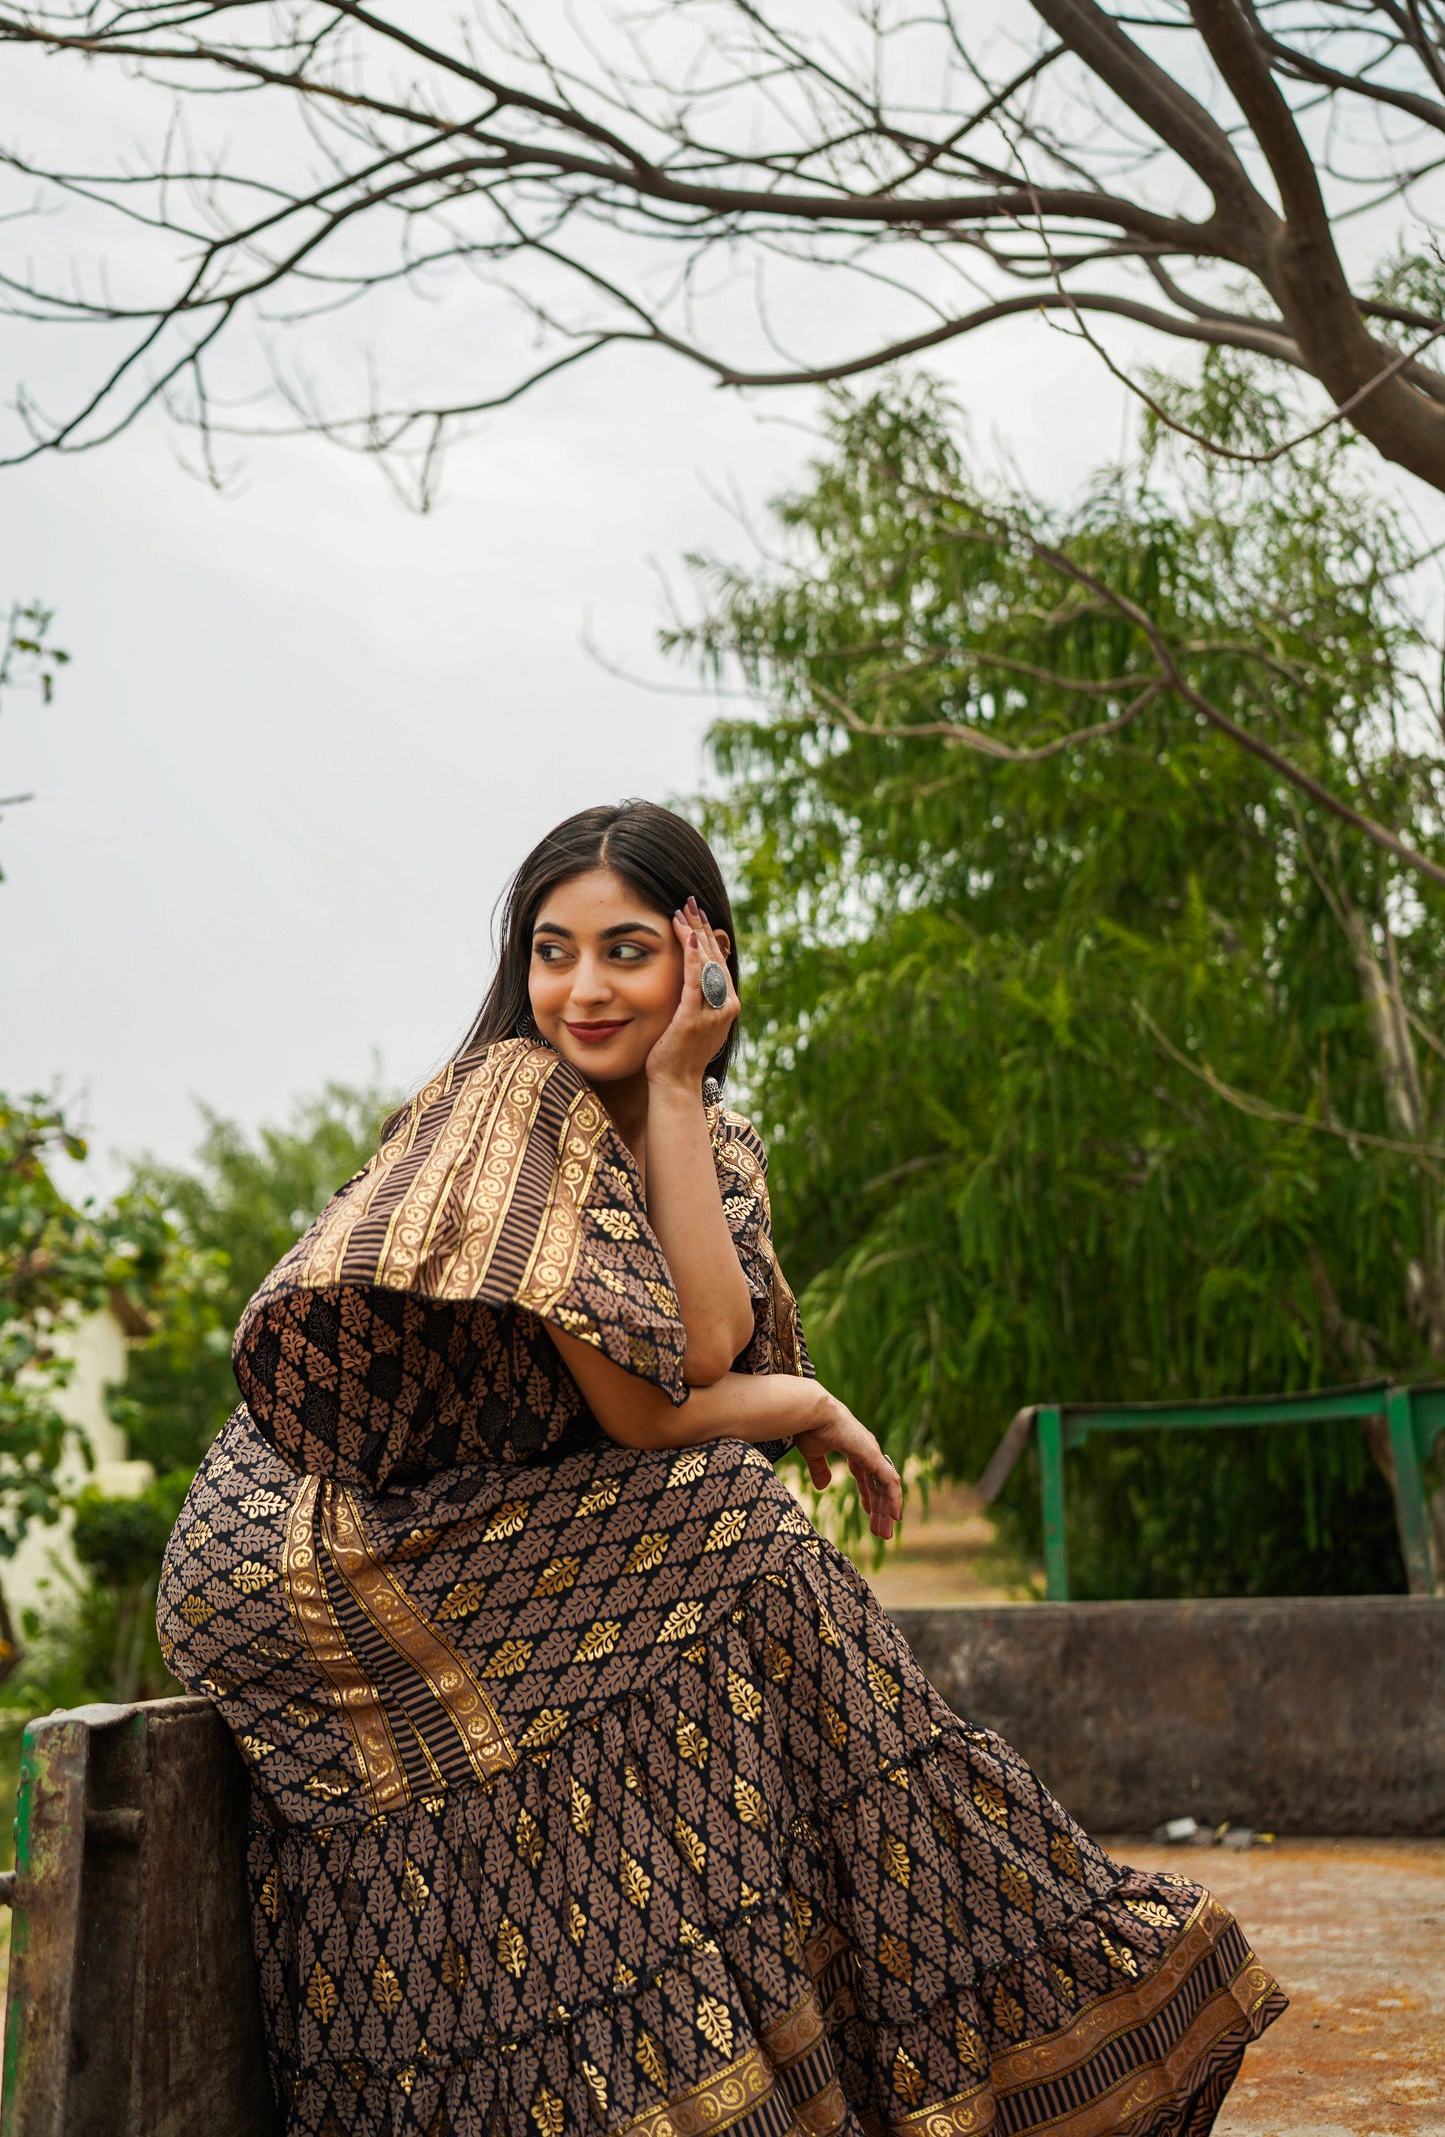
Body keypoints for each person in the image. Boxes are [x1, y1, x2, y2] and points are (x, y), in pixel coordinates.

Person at [158, 801, 1284, 2137]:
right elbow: (662, 1408)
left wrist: (681, 1093)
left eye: (625, 950)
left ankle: (876, 2027)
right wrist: (806, 1399)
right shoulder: (510, 1100)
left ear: (703, 962)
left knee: (724, 1548)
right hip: (315, 1535)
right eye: (550, 950)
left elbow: (692, 1356)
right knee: (724, 1518)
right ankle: (983, 1989)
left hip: (475, 1524)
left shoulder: (709, 1140)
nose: (580, 989)